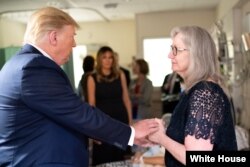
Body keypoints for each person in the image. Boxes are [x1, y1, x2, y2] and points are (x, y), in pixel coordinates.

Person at [0, 7, 160, 167]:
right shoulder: (34, 67)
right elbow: (77, 112)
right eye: (72, 37)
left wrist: (92, 130)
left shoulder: (20, 63)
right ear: (54, 37)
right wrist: (131, 132)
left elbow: (59, 115)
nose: (75, 44)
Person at [149, 26, 237, 166]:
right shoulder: (196, 91)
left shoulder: (206, 93)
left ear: (196, 54)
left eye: (176, 49)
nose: (170, 55)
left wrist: (161, 138)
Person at [87, 46, 133, 165]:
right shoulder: (92, 78)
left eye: (110, 57)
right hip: (103, 122)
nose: (108, 60)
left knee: (120, 156)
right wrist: (93, 129)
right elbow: (91, 106)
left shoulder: (120, 75)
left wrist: (130, 122)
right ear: (99, 60)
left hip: (120, 120)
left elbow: (126, 100)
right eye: (104, 57)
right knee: (104, 155)